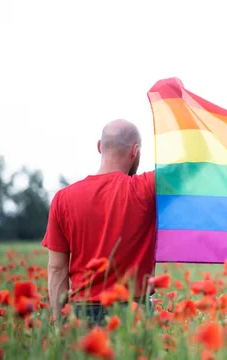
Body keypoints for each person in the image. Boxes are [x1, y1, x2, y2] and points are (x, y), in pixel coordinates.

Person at [42, 119, 156, 326]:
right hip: (134, 312)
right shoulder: (146, 188)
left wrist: (60, 325)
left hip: (82, 313)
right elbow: (188, 168)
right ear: (135, 151)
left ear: (99, 147)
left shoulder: (62, 198)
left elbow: (57, 269)